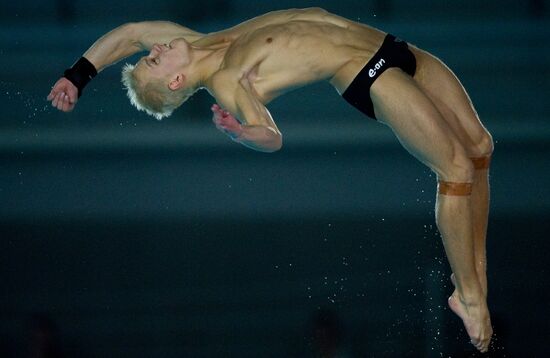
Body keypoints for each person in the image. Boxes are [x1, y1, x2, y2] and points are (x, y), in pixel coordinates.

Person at [47, 8, 494, 352]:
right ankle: (468, 297)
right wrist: (243, 133)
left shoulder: (203, 43)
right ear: (177, 79)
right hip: (370, 75)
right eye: (154, 60)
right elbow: (271, 136)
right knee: (454, 169)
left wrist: (78, 75)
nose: (156, 49)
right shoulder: (226, 79)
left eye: (153, 53)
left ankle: (474, 273)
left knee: (479, 148)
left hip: (390, 46)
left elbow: (128, 35)